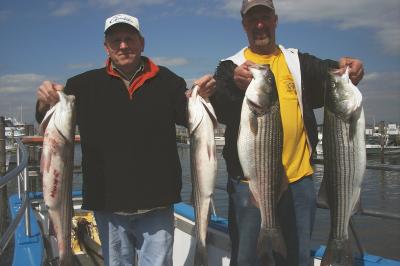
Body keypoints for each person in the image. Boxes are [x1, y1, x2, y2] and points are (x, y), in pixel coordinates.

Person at [35, 14, 215, 266]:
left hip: (158, 203)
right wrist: (44, 101)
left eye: (129, 38)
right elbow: (53, 121)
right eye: (116, 40)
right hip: (108, 204)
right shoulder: (81, 86)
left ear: (142, 43)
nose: (123, 45)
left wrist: (203, 97)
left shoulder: (169, 81)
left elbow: (193, 120)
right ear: (106, 47)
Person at [209, 1, 364, 266]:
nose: (260, 24)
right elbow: (220, 106)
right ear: (244, 24)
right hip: (251, 183)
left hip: (299, 182)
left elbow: (330, 74)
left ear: (275, 20)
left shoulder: (297, 60)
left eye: (265, 16)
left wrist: (349, 68)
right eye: (253, 18)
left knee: (298, 257)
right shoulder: (229, 66)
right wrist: (235, 86)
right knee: (246, 258)